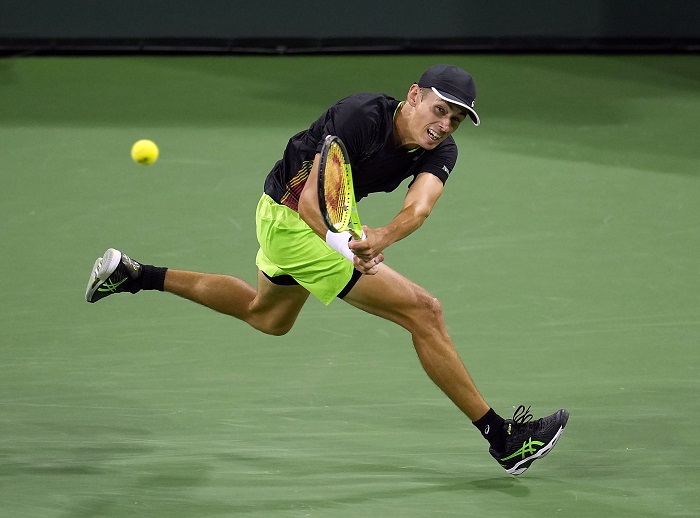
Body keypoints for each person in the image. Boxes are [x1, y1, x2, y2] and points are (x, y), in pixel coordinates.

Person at [85, 64, 568, 475]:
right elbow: (316, 204)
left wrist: (379, 238)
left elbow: (418, 208)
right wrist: (349, 247)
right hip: (293, 217)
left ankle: (135, 275)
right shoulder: (360, 116)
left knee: (266, 316)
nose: (445, 125)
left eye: (457, 119)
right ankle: (503, 438)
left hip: (325, 218)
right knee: (424, 312)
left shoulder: (440, 150)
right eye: (440, 109)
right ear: (414, 96)